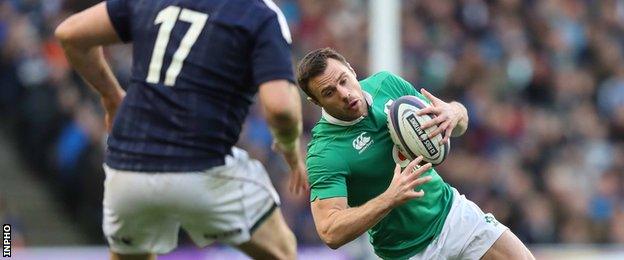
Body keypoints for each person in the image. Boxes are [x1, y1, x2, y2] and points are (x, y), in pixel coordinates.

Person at [55, 0, 308, 259]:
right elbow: (280, 108)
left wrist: (110, 96)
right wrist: (289, 148)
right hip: (205, 168)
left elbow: (70, 34)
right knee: (283, 251)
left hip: (128, 166)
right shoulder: (260, 13)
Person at [297, 48, 534, 260]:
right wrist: (389, 199)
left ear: (350, 69)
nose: (344, 94)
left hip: (451, 214)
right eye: (329, 92)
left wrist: (453, 112)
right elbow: (329, 230)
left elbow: (460, 123)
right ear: (315, 101)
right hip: (405, 251)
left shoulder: (386, 85)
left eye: (344, 80)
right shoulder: (324, 153)